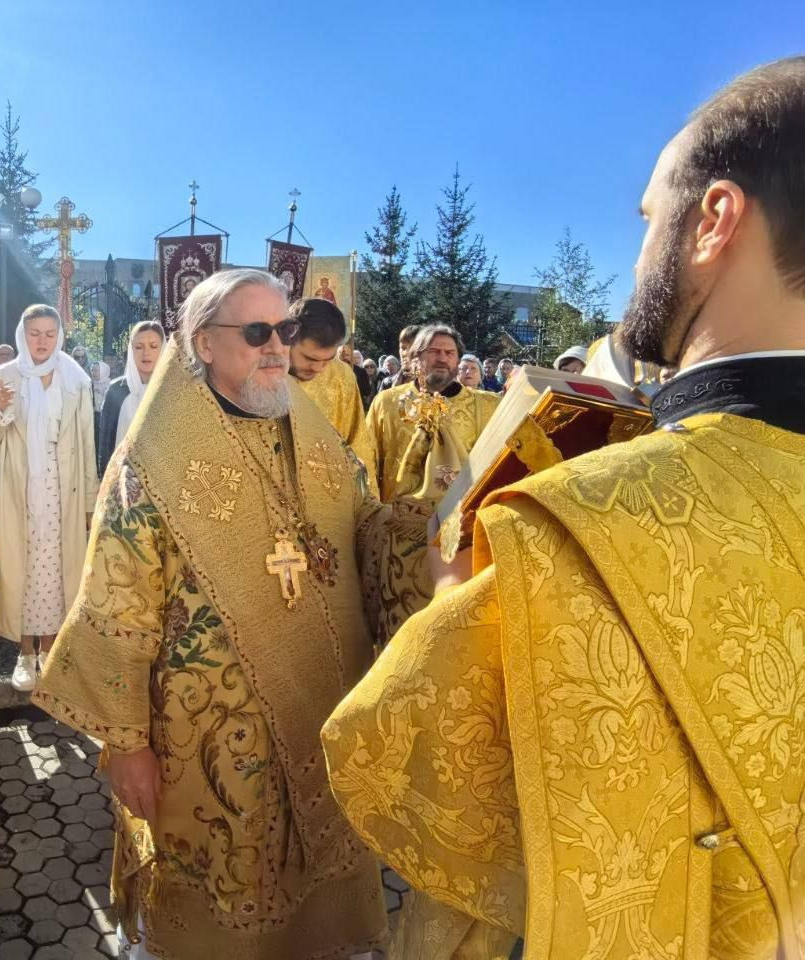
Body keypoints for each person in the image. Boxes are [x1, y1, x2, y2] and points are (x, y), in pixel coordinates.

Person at [325, 56, 805, 960]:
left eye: (651, 217)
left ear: (714, 220)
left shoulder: (566, 525)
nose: (640, 252)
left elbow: (391, 760)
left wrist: (455, 592)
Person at [34, 269, 389, 960]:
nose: (277, 347)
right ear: (203, 343)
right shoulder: (154, 460)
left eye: (284, 329)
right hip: (202, 743)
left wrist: (440, 535)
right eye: (256, 332)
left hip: (321, 709)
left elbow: (364, 528)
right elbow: (117, 606)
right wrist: (127, 746)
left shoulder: (310, 432)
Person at [0, 305, 98, 692]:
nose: (42, 341)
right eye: (34, 333)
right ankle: (25, 654)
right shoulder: (4, 376)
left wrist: (90, 502)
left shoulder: (75, 379)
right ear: (22, 335)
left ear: (59, 336)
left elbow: (87, 442)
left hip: (62, 489)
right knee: (22, 569)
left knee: (55, 570)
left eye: (49, 333)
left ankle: (51, 651)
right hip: (19, 487)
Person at [363, 324, 500, 647]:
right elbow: (366, 460)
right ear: (414, 358)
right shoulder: (387, 403)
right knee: (401, 634)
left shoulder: (486, 405)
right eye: (433, 351)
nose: (442, 358)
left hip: (461, 538)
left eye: (449, 353)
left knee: (452, 634)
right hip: (400, 540)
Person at [288, 297, 378, 492]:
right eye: (310, 358)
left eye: (328, 360)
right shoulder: (262, 371)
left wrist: (367, 501)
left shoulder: (342, 375)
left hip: (328, 492)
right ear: (287, 337)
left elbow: (357, 443)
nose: (319, 368)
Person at [96, 320, 165, 474]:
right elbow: (106, 443)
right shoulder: (117, 390)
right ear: (131, 350)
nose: (146, 353)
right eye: (139, 347)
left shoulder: (171, 390)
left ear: (163, 349)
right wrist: (104, 478)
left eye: (153, 346)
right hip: (122, 476)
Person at [377, 323, 421, 391]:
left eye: (412, 347)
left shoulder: (435, 383)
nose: (405, 353)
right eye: (403, 348)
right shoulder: (387, 383)